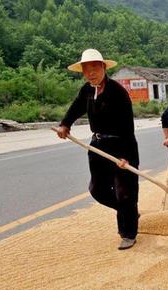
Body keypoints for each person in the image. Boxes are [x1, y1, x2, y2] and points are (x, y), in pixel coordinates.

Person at [56, 49, 140, 250]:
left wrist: (125, 157)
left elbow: (128, 126)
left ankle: (128, 233)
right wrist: (65, 124)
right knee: (98, 190)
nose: (91, 73)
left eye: (95, 68)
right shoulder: (86, 90)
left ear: (103, 68)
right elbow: (76, 108)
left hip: (121, 145)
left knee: (125, 192)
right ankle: (129, 213)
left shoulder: (118, 92)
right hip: (97, 145)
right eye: (86, 69)